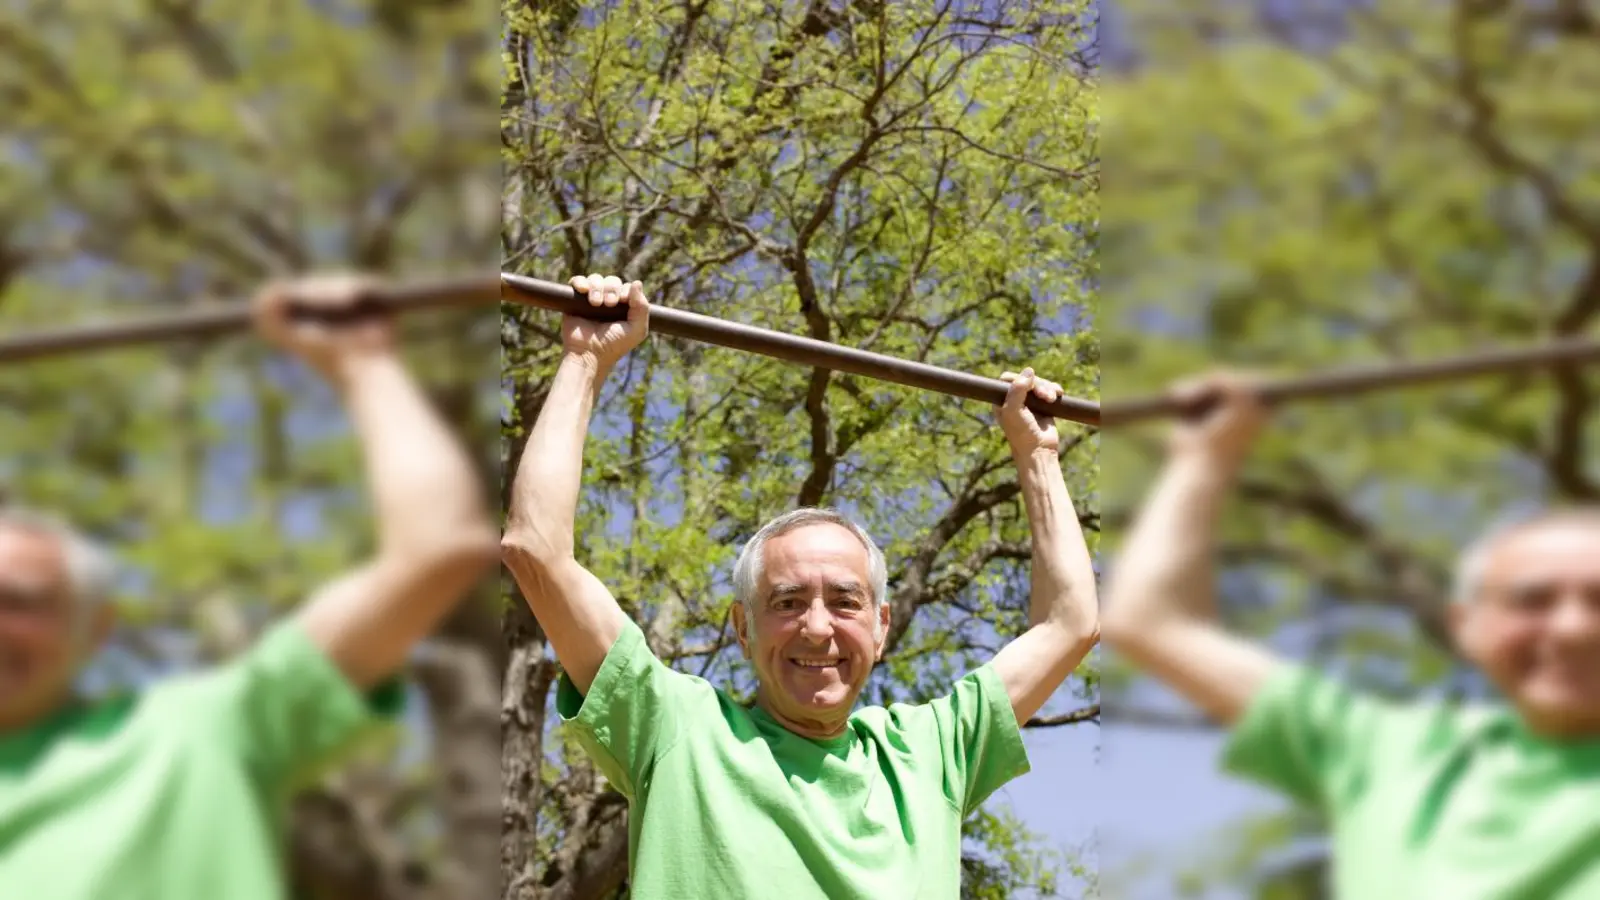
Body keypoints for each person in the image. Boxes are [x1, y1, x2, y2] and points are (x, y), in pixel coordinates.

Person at [501, 273, 1099, 898]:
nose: (818, 627)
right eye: (787, 602)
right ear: (743, 627)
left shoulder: (931, 755)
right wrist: (585, 359)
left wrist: (1037, 457)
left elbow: (1070, 624)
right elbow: (535, 548)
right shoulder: (675, 728)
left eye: (845, 601)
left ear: (881, 623)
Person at [0, 274, 500, 899]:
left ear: (95, 628)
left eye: (18, 601)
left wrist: (361, 361)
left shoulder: (198, 733)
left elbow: (437, 547)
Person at [1102, 372, 1600, 900]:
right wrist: (1205, 457)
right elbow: (1148, 620)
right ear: (1464, 625)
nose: (1573, 629)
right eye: (1532, 601)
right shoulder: (1386, 752)